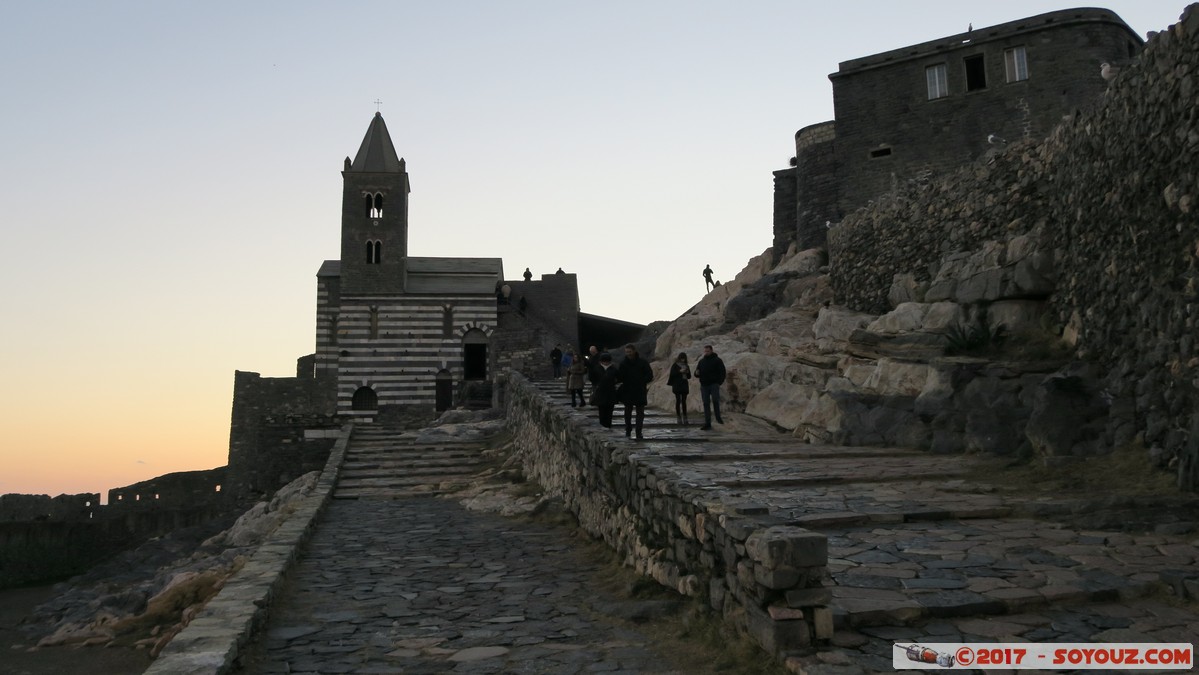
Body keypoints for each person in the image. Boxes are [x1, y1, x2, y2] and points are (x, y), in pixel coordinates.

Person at [617, 343, 653, 439]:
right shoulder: (623, 364)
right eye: (626, 352)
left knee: (640, 412)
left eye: (629, 352)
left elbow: (650, 375)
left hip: (640, 390)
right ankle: (628, 429)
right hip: (628, 390)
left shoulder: (643, 362)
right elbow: (620, 377)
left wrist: (642, 381)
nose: (628, 354)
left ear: (634, 351)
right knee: (628, 412)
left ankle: (638, 431)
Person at [694, 344, 726, 430]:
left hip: (714, 384)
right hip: (704, 385)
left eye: (708, 351)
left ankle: (718, 418)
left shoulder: (717, 360)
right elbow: (696, 372)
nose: (706, 353)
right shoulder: (701, 361)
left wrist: (719, 382)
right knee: (706, 403)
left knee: (715, 400)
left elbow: (722, 372)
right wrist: (696, 374)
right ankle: (707, 423)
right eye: (705, 351)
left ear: (711, 351)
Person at [592, 353, 618, 428]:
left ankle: (608, 426)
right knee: (602, 412)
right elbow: (592, 378)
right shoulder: (597, 368)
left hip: (611, 392)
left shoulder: (613, 369)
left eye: (607, 361)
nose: (606, 362)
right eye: (604, 361)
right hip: (601, 393)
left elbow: (619, 377)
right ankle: (602, 426)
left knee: (609, 412)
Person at [667, 352, 692, 426]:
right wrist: (679, 371)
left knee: (684, 401)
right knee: (678, 400)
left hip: (684, 384)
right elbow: (672, 374)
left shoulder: (686, 365)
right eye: (681, 358)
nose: (683, 360)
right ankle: (678, 416)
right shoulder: (675, 365)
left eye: (684, 359)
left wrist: (687, 372)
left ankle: (685, 416)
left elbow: (689, 376)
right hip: (677, 385)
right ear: (679, 358)